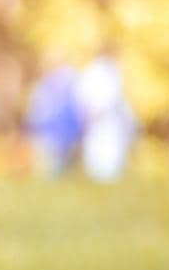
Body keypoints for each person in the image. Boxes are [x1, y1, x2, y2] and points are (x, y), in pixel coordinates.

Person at [77, 45, 139, 182]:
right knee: (102, 153)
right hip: (103, 121)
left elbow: (83, 98)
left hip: (105, 121)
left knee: (106, 153)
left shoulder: (98, 71)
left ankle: (105, 179)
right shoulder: (107, 71)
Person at [24, 55, 84, 177]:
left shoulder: (46, 88)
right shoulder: (46, 88)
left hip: (59, 137)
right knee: (55, 172)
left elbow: (34, 115)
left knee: (57, 172)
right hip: (53, 137)